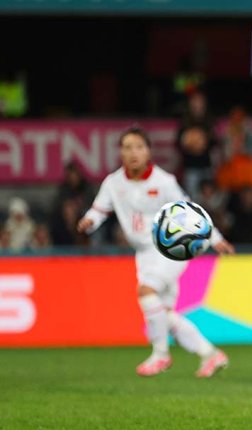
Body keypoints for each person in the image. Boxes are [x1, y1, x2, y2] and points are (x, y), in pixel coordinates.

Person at [78, 125, 236, 378]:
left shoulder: (164, 182)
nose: (133, 153)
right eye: (128, 147)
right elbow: (99, 210)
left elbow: (190, 211)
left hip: (170, 249)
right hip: (143, 253)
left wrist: (215, 238)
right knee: (165, 316)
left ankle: (160, 355)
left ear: (149, 151)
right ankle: (211, 354)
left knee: (146, 292)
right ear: (121, 152)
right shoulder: (113, 182)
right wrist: (89, 221)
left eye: (139, 147)